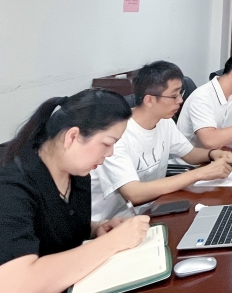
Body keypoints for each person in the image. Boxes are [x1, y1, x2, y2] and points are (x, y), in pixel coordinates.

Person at [0, 89, 151, 292]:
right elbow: (15, 283)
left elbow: (53, 226)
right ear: (72, 136)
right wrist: (113, 242)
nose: (110, 153)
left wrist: (97, 228)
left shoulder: (78, 173)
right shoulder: (11, 187)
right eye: (107, 143)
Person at [91, 62, 232, 221]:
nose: (180, 100)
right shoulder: (117, 134)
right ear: (149, 100)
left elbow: (189, 154)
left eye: (180, 93)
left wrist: (213, 154)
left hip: (151, 209)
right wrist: (201, 173)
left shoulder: (164, 121)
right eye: (174, 96)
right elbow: (134, 193)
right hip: (109, 223)